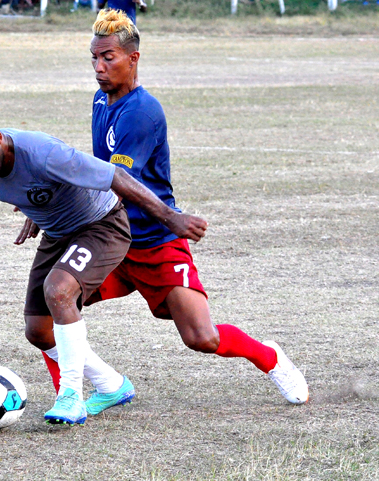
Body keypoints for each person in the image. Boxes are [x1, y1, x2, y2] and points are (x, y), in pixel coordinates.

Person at [32, 9, 309, 410]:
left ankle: (270, 357)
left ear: (133, 58)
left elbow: (116, 182)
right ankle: (80, 393)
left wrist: (63, 207)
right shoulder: (99, 99)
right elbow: (95, 172)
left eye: (108, 57)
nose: (98, 67)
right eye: (94, 57)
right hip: (111, 238)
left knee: (201, 337)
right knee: (49, 312)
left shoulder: (142, 113)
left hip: (154, 241)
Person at [0, 106, 208, 425]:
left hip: (102, 225)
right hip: (59, 233)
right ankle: (111, 386)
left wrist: (171, 218)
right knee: (39, 331)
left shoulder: (46, 154)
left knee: (59, 291)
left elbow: (118, 177)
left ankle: (71, 396)